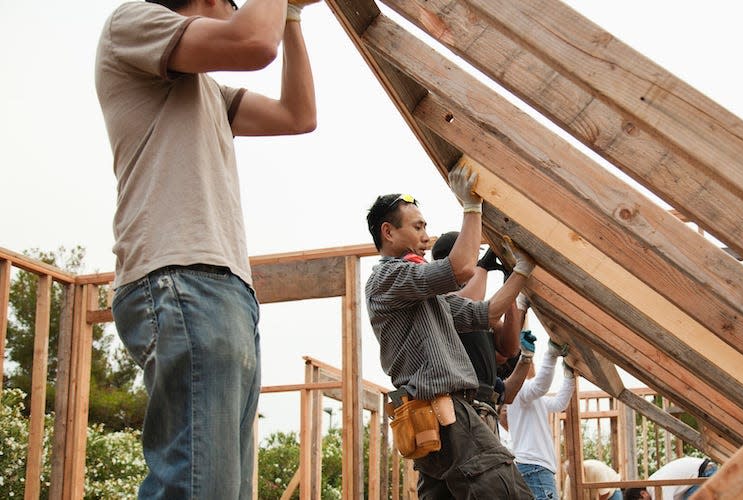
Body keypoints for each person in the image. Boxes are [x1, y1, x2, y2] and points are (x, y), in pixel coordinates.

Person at [96, 0, 318, 497]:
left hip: (222, 288)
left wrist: (293, 17)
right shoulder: (133, 24)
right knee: (198, 486)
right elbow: (254, 44)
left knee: (217, 487)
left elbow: (298, 114)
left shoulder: (209, 92)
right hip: (180, 277)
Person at [364, 161, 533, 498]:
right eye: (418, 227)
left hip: (436, 417)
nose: (426, 237)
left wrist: (521, 273)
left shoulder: (426, 298)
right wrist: (472, 207)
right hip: (443, 410)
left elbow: (486, 314)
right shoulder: (386, 279)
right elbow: (460, 267)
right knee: (504, 490)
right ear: (389, 232)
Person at [430, 232, 526, 433]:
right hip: (460, 408)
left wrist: (508, 291)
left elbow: (509, 347)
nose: (474, 264)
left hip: (483, 407)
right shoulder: (437, 298)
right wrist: (484, 266)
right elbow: (468, 301)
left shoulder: (479, 309)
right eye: (471, 256)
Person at [505, 338, 575, 500]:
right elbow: (540, 386)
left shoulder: (526, 395)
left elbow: (558, 404)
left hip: (534, 467)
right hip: (535, 467)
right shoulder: (521, 390)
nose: (532, 365)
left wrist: (569, 378)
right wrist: (551, 355)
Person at [641, 456, 718, 500]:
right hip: (704, 471)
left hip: (705, 473)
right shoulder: (653, 482)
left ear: (643, 494)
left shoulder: (654, 488)